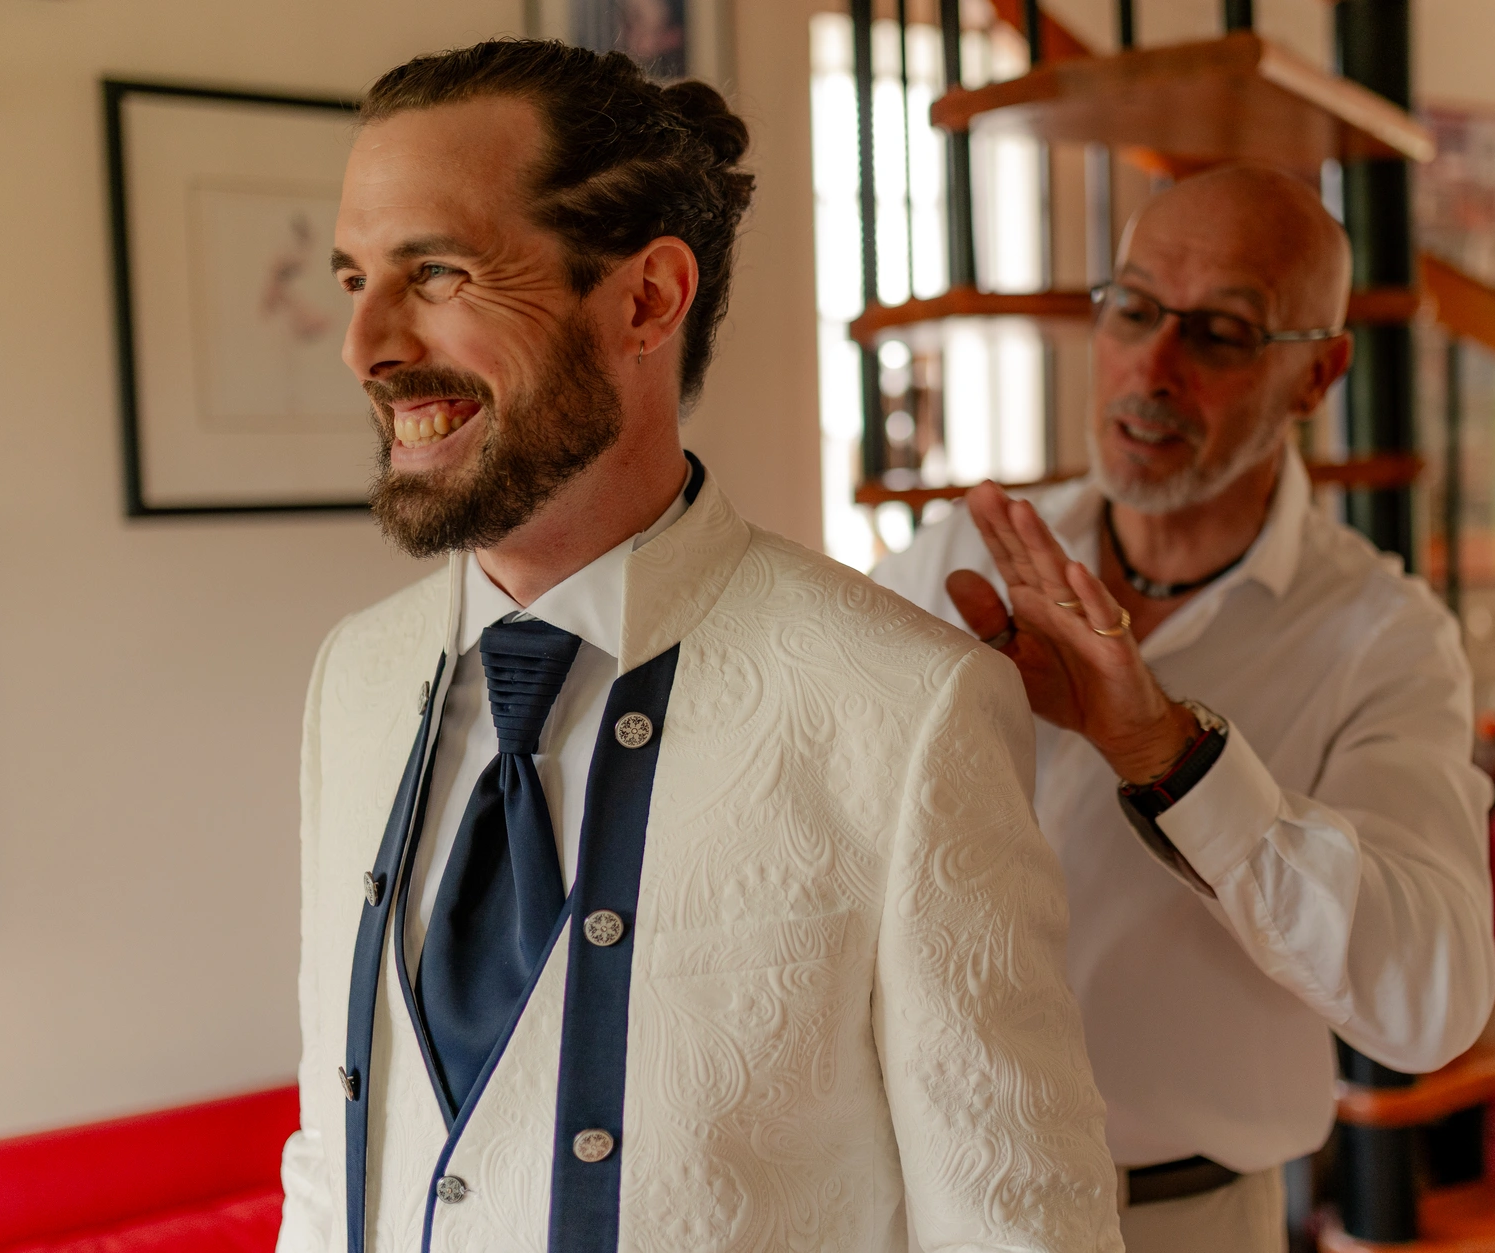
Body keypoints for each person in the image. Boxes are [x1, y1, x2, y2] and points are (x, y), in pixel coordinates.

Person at [277, 40, 1123, 1253]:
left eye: (439, 271)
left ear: (645, 299)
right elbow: (331, 1153)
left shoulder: (905, 707)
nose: (365, 342)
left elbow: (1016, 1225)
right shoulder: (352, 680)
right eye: (356, 276)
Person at [875, 164, 1495, 1252]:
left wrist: (1167, 754)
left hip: (1182, 1223)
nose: (1152, 367)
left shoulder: (1383, 639)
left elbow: (1428, 1001)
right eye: (1132, 309)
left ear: (1317, 376)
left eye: (1219, 333)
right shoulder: (955, 565)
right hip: (921, 1209)